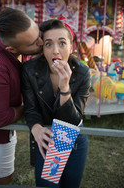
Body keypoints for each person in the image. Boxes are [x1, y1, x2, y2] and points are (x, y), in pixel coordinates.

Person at [21, 19, 90, 188]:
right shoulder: (30, 69)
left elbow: (73, 120)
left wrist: (64, 87)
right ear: (42, 49)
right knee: (48, 185)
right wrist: (36, 128)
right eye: (49, 44)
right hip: (47, 138)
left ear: (71, 47)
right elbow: (31, 108)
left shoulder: (82, 72)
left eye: (62, 43)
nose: (56, 51)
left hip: (74, 139)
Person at [0, 8, 43, 185]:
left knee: (5, 178)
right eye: (32, 43)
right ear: (11, 48)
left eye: (38, 34)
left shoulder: (12, 47)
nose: (40, 42)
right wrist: (30, 107)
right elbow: (0, 119)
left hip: (5, 134)